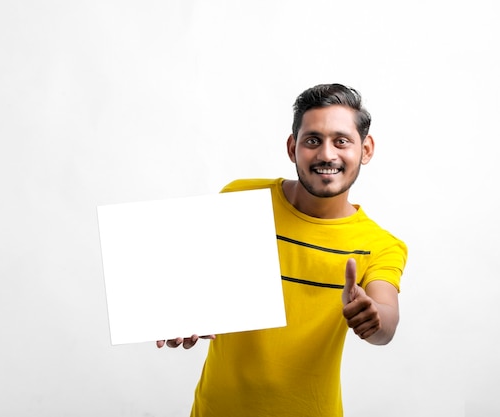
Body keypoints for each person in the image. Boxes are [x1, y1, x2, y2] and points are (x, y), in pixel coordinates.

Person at [156, 83, 408, 417]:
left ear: (366, 149)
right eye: (313, 140)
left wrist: (372, 318)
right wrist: (177, 316)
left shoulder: (380, 245)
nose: (327, 154)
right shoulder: (240, 199)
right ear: (293, 147)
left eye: (341, 140)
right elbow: (195, 287)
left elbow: (386, 319)